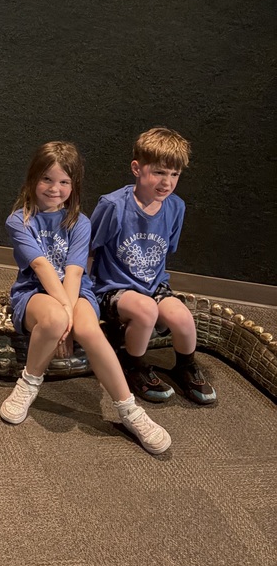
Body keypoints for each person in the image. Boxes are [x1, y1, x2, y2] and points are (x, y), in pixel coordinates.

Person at [1, 141, 171, 455]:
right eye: (47, 179)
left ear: (74, 185)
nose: (55, 188)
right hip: (35, 292)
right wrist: (65, 315)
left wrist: (69, 310)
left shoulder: (80, 222)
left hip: (76, 291)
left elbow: (75, 272)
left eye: (64, 181)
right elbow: (41, 268)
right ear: (32, 179)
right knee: (53, 320)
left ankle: (129, 409)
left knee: (90, 330)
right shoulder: (19, 221)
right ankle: (29, 382)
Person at [89, 126, 216, 405]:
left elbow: (163, 251)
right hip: (113, 288)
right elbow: (89, 249)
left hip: (153, 285)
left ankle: (185, 366)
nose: (166, 182)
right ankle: (133, 364)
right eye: (159, 172)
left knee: (182, 318)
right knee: (145, 311)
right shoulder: (112, 205)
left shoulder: (176, 207)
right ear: (137, 168)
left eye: (174, 174)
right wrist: (84, 295)